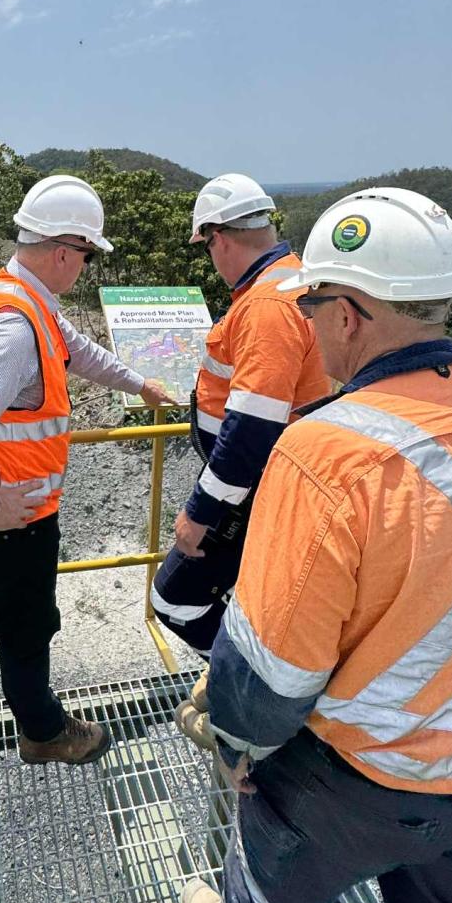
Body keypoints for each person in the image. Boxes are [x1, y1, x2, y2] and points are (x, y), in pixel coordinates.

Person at [180, 187, 452, 903]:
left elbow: (271, 677)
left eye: (311, 308)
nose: (306, 324)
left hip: (348, 787)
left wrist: (235, 741)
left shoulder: (326, 452)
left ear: (348, 314)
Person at [0, 175, 173, 766]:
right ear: (63, 251)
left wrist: (139, 384)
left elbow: (78, 351)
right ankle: (44, 733)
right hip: (14, 520)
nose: (83, 266)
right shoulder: (15, 326)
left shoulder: (24, 300)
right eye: (85, 255)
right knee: (29, 632)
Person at [151, 174, 327, 730]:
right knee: (252, 593)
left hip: (254, 486)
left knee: (176, 601)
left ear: (217, 238)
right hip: (280, 481)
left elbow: (250, 430)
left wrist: (200, 514)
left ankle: (253, 699)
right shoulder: (297, 280)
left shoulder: (268, 307)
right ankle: (258, 686)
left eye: (206, 249)